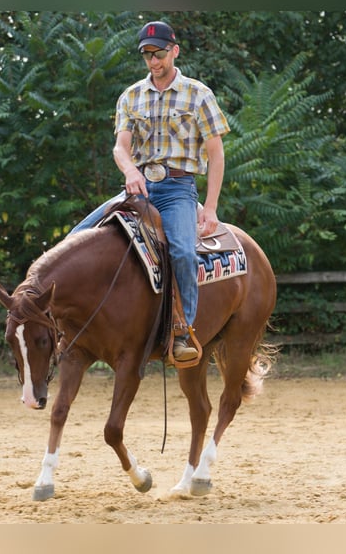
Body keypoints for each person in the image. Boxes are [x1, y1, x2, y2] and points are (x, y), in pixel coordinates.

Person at [71, 20, 230, 364]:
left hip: (177, 189)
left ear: (174, 51)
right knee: (75, 238)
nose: (153, 62)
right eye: (147, 55)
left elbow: (216, 154)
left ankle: (183, 331)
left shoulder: (198, 94)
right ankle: (69, 328)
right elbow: (120, 147)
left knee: (184, 253)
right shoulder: (131, 96)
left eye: (158, 54)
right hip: (138, 188)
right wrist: (130, 171)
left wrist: (212, 208)